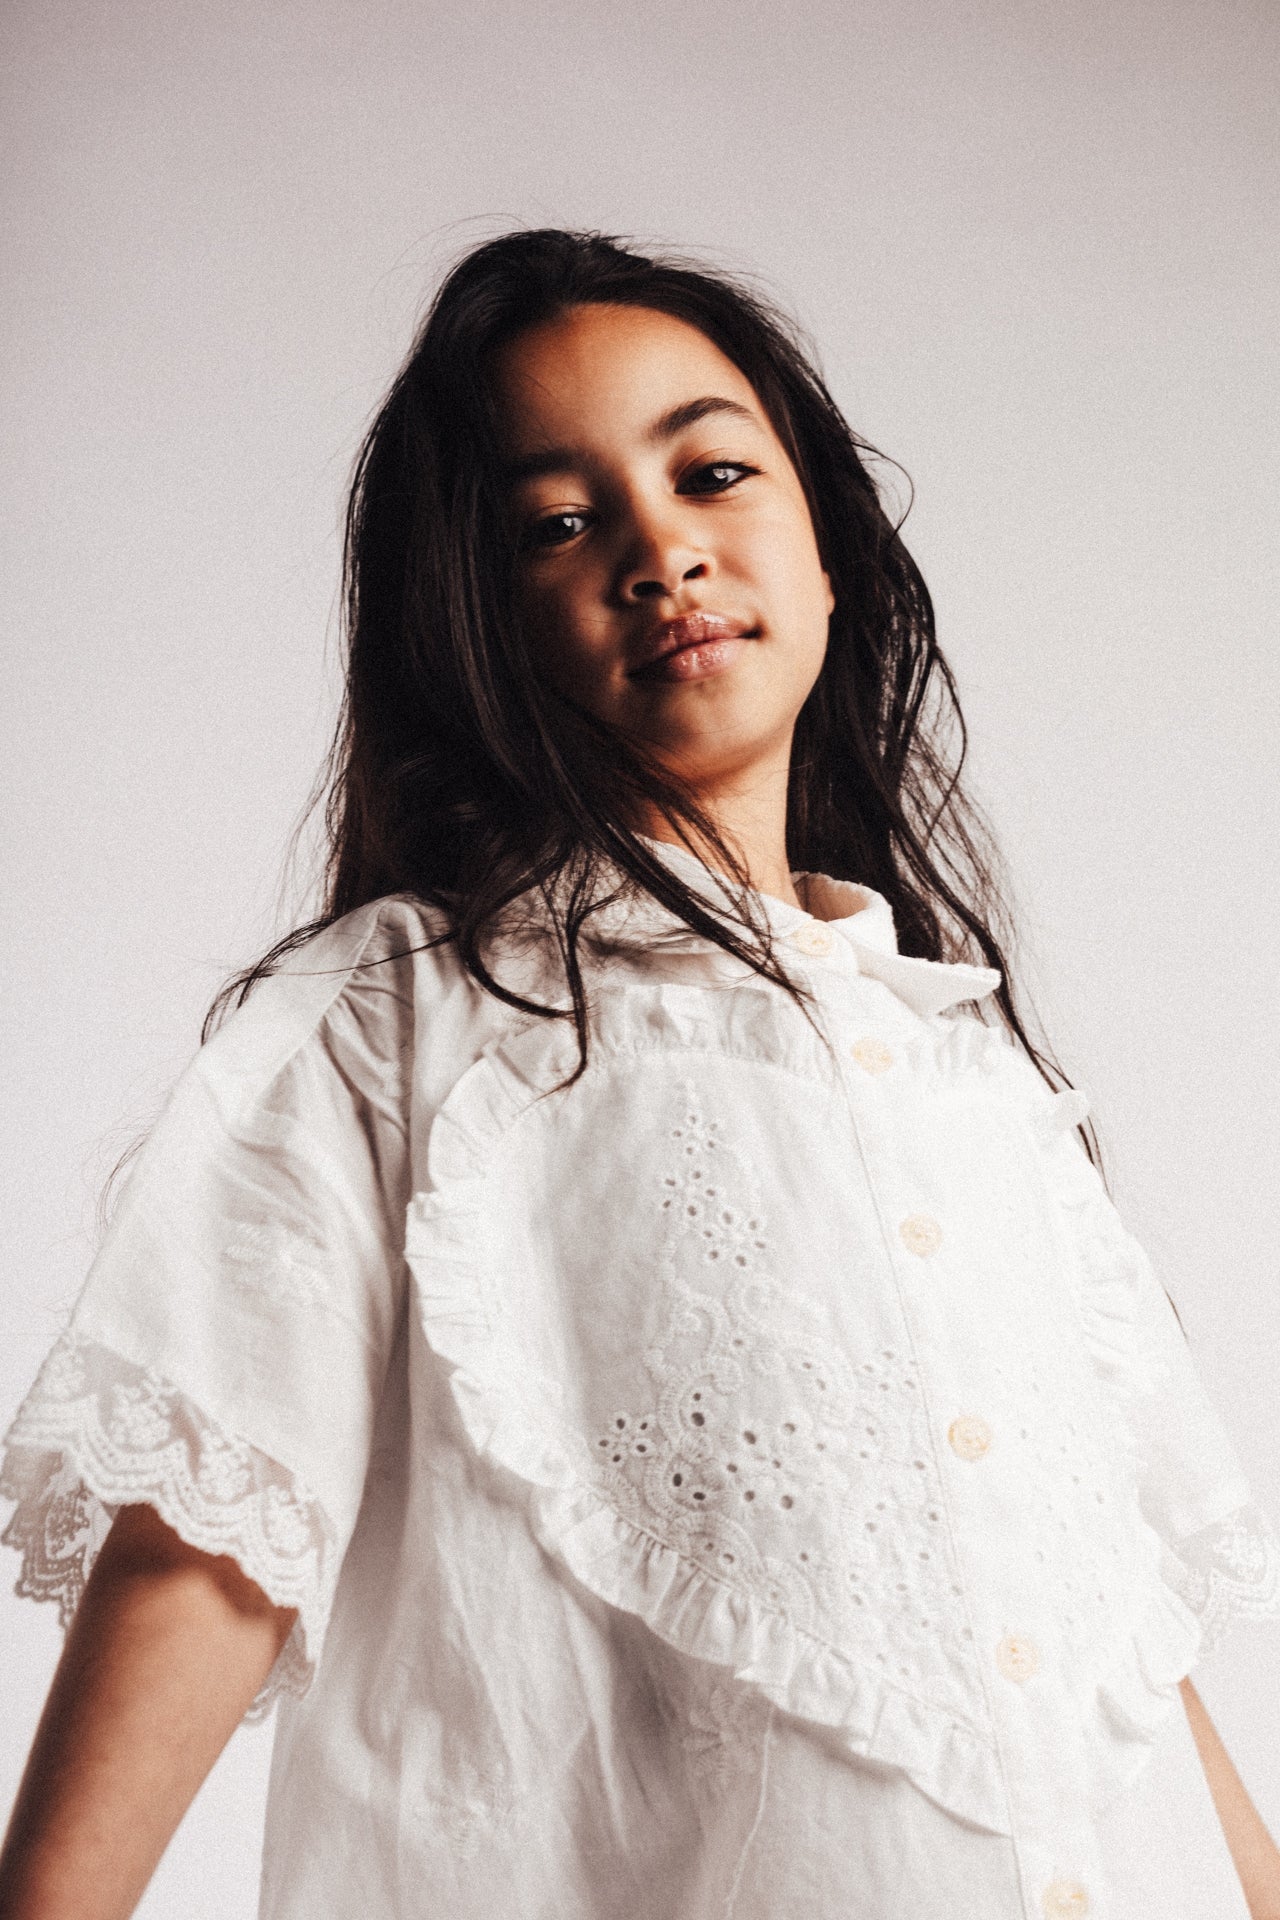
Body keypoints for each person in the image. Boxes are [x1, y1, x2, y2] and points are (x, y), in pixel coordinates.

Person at [0, 227, 1277, 1920]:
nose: (661, 548)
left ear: (831, 551)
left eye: (713, 472)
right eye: (557, 522)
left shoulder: (970, 1074)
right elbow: (210, 1544)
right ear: (478, 628)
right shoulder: (399, 1029)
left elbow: (1121, 1666)